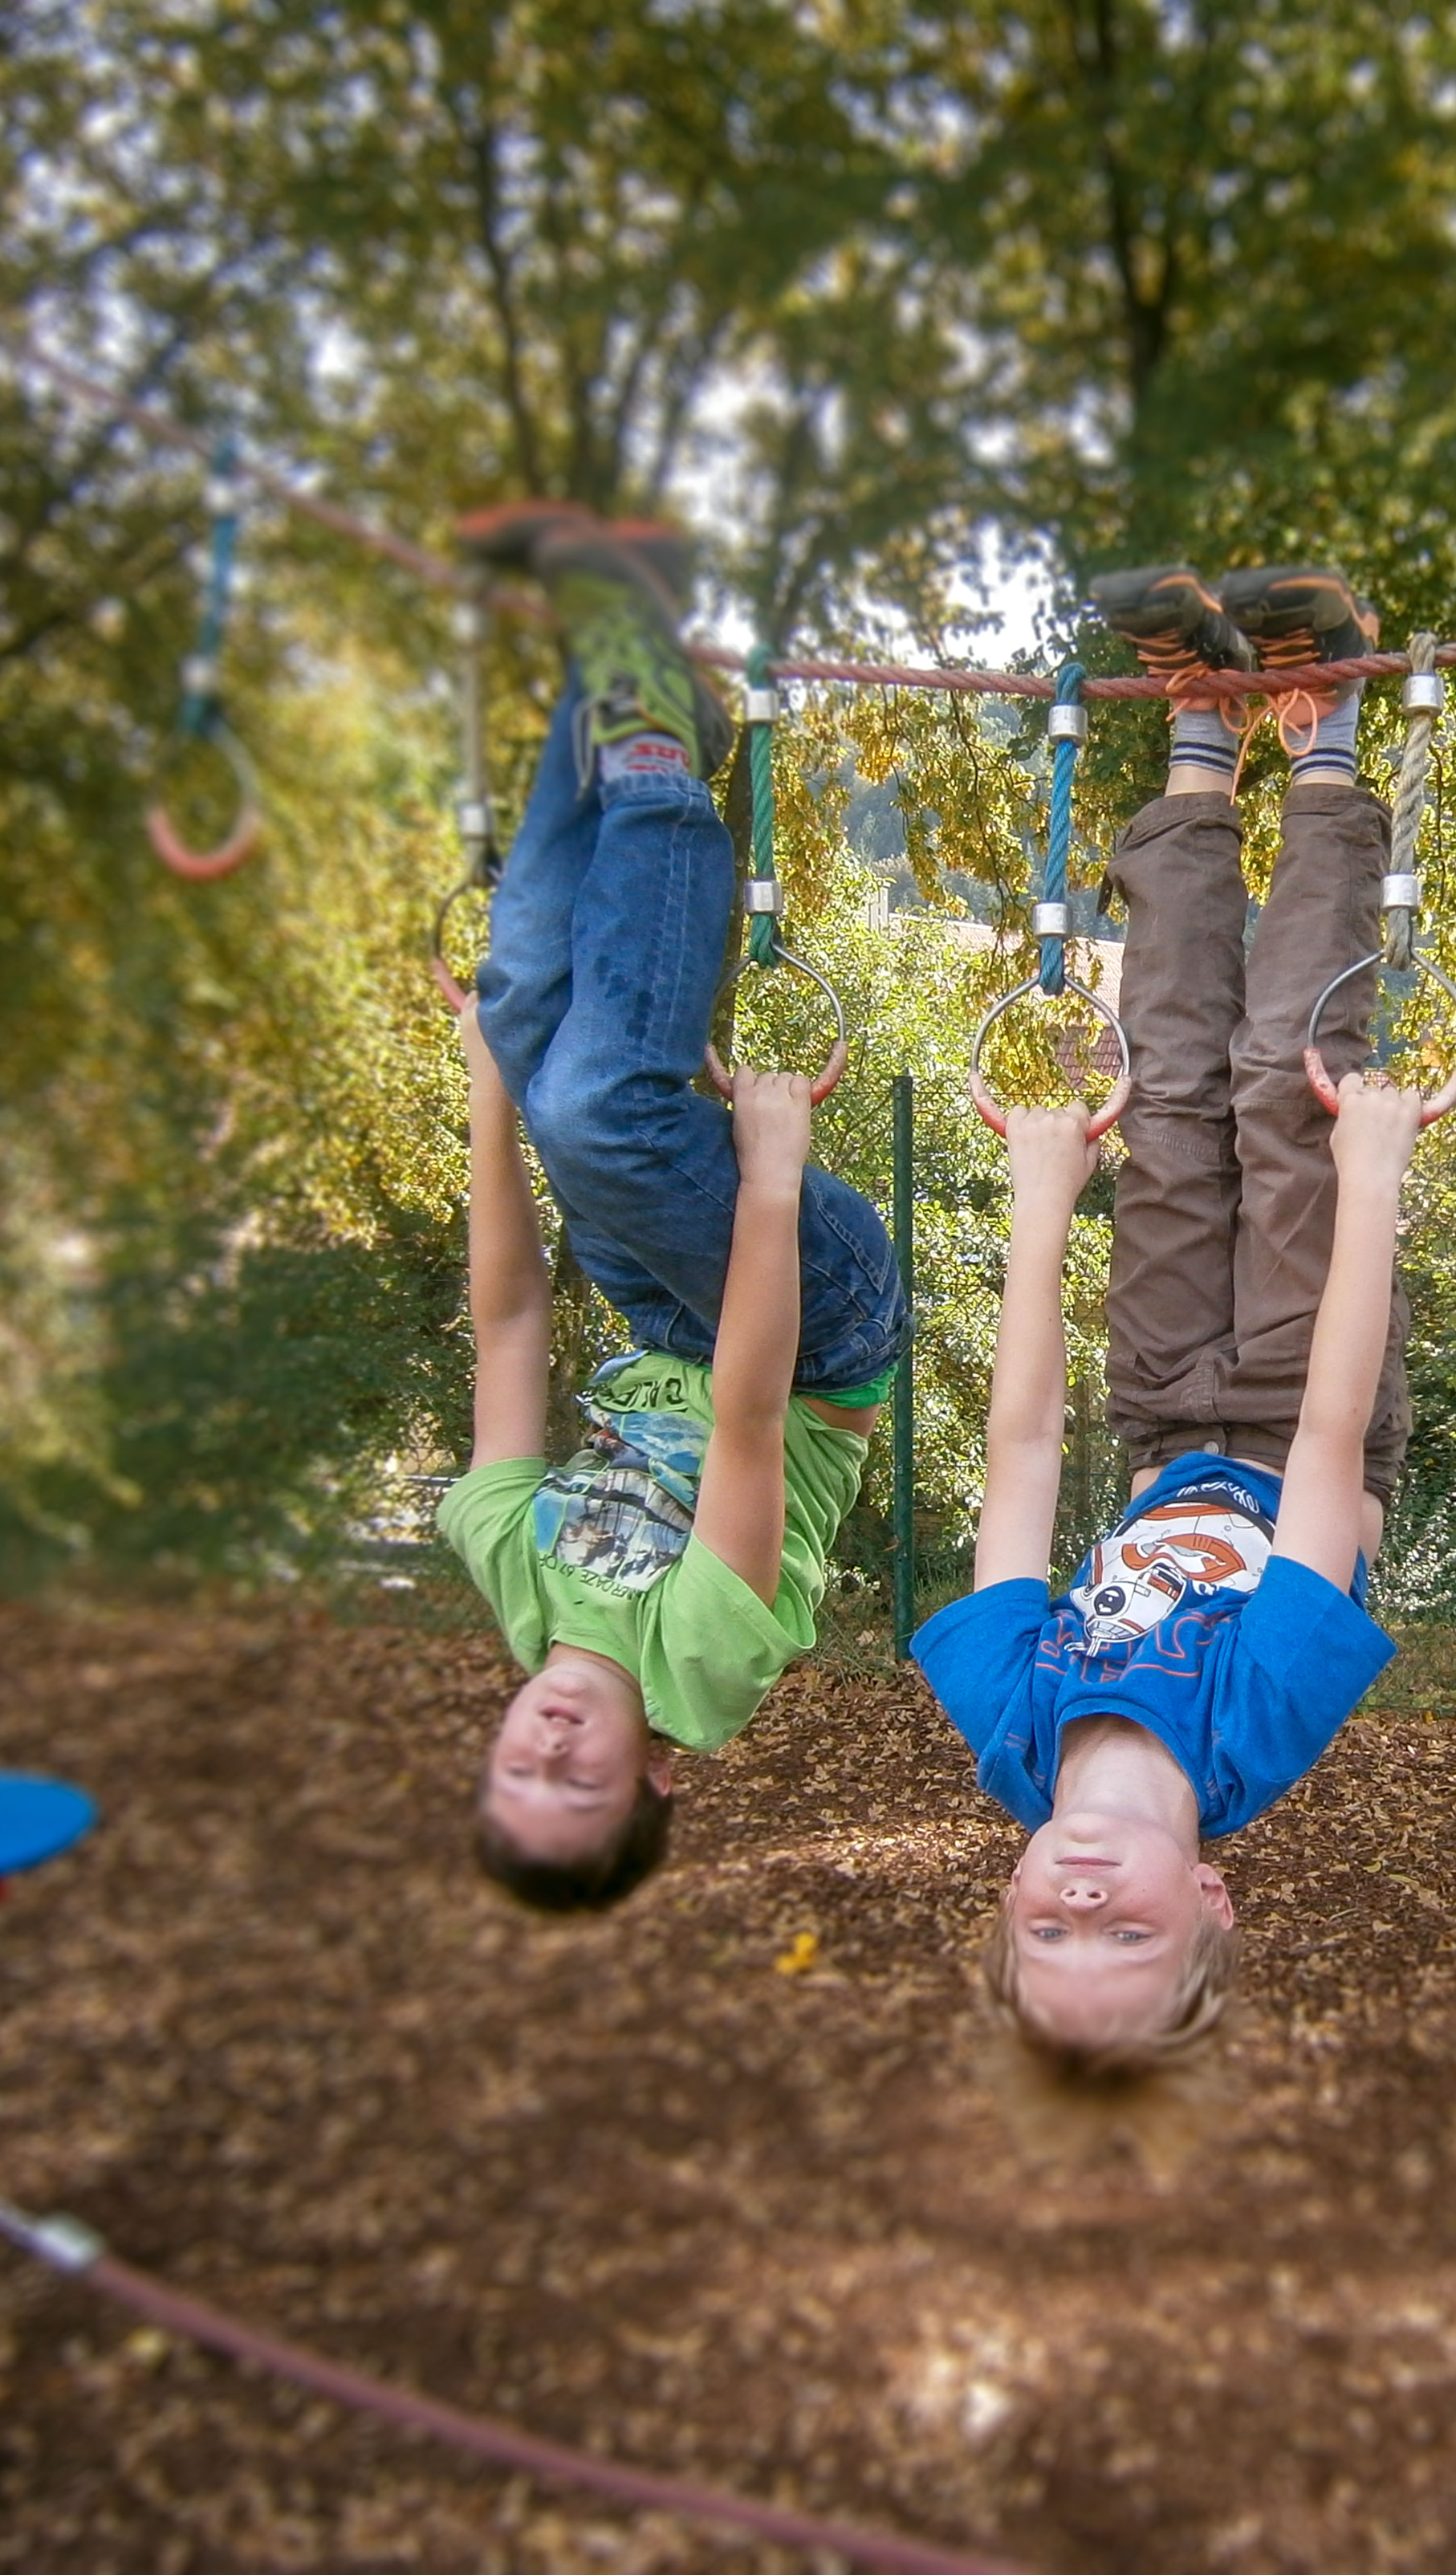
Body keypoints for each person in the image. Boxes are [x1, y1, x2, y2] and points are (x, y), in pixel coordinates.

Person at [913, 564, 1425, 2081]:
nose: (1076, 1904)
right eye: (1121, 1938)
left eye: (1043, 1936)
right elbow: (1331, 1452)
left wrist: (1041, 1188)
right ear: (1207, 1902)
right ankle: (1322, 734)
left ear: (1001, 1910)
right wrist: (1372, 1180)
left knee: (1165, 1087)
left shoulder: (1012, 1727)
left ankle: (1201, 733)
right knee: (1288, 1090)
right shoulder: (1259, 1729)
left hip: (1154, 1408)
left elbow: (1017, 1455)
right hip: (1289, 1400)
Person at [439, 505, 907, 1914]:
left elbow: (514, 1321)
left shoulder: (512, 1578)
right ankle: (654, 752)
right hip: (812, 1328)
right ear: (654, 1780)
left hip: (661, 1302)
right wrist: (769, 1172)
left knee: (528, 1018)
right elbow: (753, 1415)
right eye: (574, 1784)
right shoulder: (702, 1665)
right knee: (600, 1119)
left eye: (514, 1771)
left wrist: (483, 1093)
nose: (549, 1746)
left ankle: (616, 663)